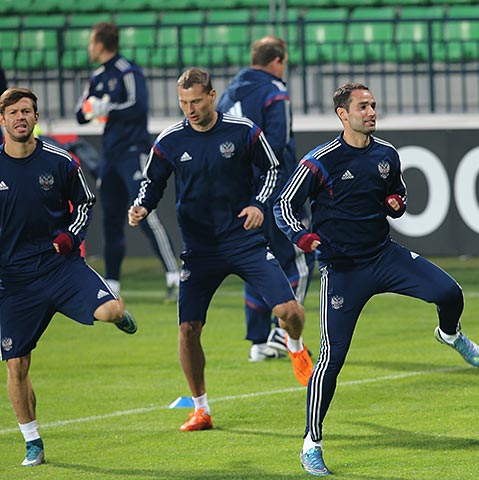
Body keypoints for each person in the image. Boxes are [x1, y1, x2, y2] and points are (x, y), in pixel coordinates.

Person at [274, 82, 479, 476]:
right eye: (363, 106)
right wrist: (301, 236)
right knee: (332, 358)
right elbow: (283, 204)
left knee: (450, 292)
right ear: (342, 114)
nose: (371, 112)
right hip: (343, 269)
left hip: (383, 255)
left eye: (373, 105)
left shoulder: (386, 154)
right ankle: (311, 444)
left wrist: (397, 203)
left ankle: (450, 334)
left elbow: (397, 197)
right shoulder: (319, 161)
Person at [128, 68, 313, 432]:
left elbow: (272, 170)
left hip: (244, 241)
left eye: (196, 101)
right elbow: (152, 182)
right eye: (183, 103)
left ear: (212, 96)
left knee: (289, 310)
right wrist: (141, 206)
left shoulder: (243, 131)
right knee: (188, 328)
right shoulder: (169, 140)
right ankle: (201, 410)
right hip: (200, 249)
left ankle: (294, 343)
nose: (190, 109)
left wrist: (259, 204)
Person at [0, 87, 137, 467]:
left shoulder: (60, 161)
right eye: (13, 113)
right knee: (16, 364)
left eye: (26, 111)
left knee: (110, 312)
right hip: (14, 281)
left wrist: (71, 237)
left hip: (59, 267)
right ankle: (32, 442)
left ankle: (121, 313)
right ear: (3, 120)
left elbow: (86, 203)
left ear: (35, 117)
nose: (20, 118)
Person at [217, 36, 315, 362]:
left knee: (257, 260)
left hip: (241, 193)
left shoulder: (229, 92)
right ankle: (283, 332)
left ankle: (259, 342)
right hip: (275, 188)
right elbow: (277, 142)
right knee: (299, 257)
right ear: (277, 61)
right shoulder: (275, 91)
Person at [75, 21, 179, 301]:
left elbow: (138, 105)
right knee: (110, 219)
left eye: (91, 42)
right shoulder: (97, 77)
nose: (89, 47)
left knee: (144, 213)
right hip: (109, 155)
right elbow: (79, 113)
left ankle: (174, 275)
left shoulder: (128, 71)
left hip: (133, 151)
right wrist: (90, 109)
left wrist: (108, 108)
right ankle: (112, 284)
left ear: (100, 43)